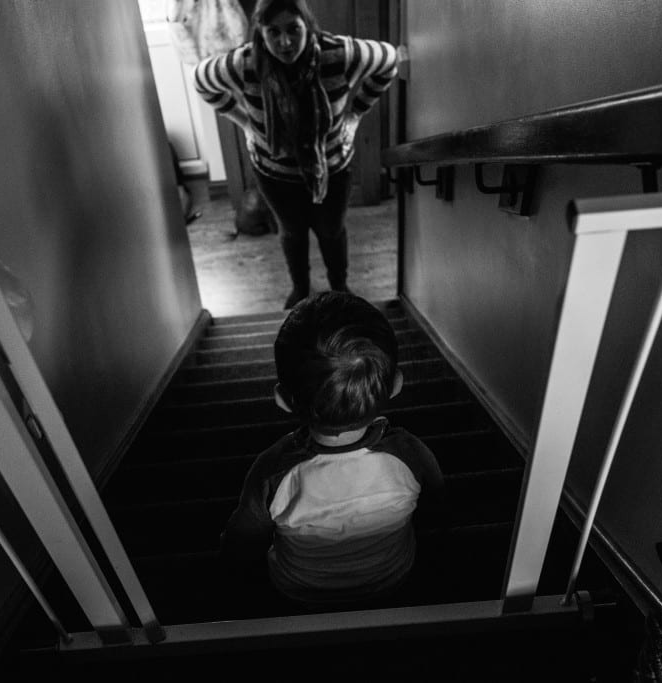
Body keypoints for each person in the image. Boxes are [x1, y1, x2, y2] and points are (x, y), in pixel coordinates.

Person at [220, 292, 446, 607]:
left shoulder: (272, 471)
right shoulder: (411, 454)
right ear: (396, 385)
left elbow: (242, 542)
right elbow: (436, 507)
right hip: (393, 580)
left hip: (298, 593)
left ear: (283, 400)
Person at [194, 0, 398, 309]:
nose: (285, 42)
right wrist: (245, 122)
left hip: (332, 169)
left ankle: (339, 285)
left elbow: (389, 61)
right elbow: (202, 80)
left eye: (293, 29)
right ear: (260, 33)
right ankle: (301, 288)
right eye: (273, 32)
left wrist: (355, 114)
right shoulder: (244, 64)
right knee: (291, 233)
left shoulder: (340, 55)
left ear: (308, 24)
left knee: (331, 231)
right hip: (274, 174)